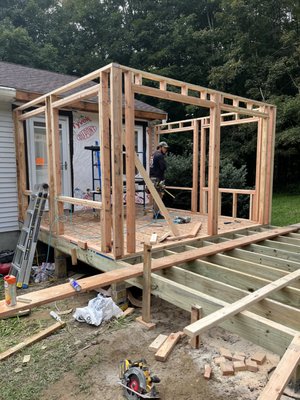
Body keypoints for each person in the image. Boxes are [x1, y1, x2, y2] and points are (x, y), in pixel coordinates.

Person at [149, 141, 169, 219]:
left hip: (152, 178)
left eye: (166, 149)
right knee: (159, 196)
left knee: (155, 196)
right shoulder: (160, 155)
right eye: (164, 148)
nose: (165, 150)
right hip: (158, 178)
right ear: (160, 147)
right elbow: (163, 167)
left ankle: (155, 213)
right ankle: (156, 214)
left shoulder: (153, 155)